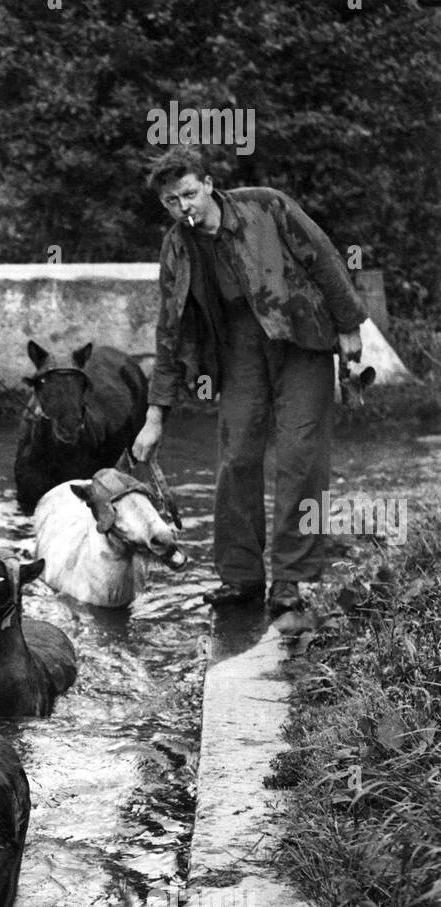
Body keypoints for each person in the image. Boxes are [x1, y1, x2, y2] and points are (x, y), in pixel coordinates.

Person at [132, 147, 365, 614]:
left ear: (209, 184)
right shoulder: (177, 246)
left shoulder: (267, 205)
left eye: (190, 194)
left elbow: (324, 259)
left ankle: (290, 581)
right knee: (236, 457)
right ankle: (241, 578)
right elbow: (169, 331)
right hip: (238, 350)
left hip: (302, 340)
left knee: (301, 458)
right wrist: (155, 417)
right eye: (172, 202)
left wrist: (349, 328)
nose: (184, 208)